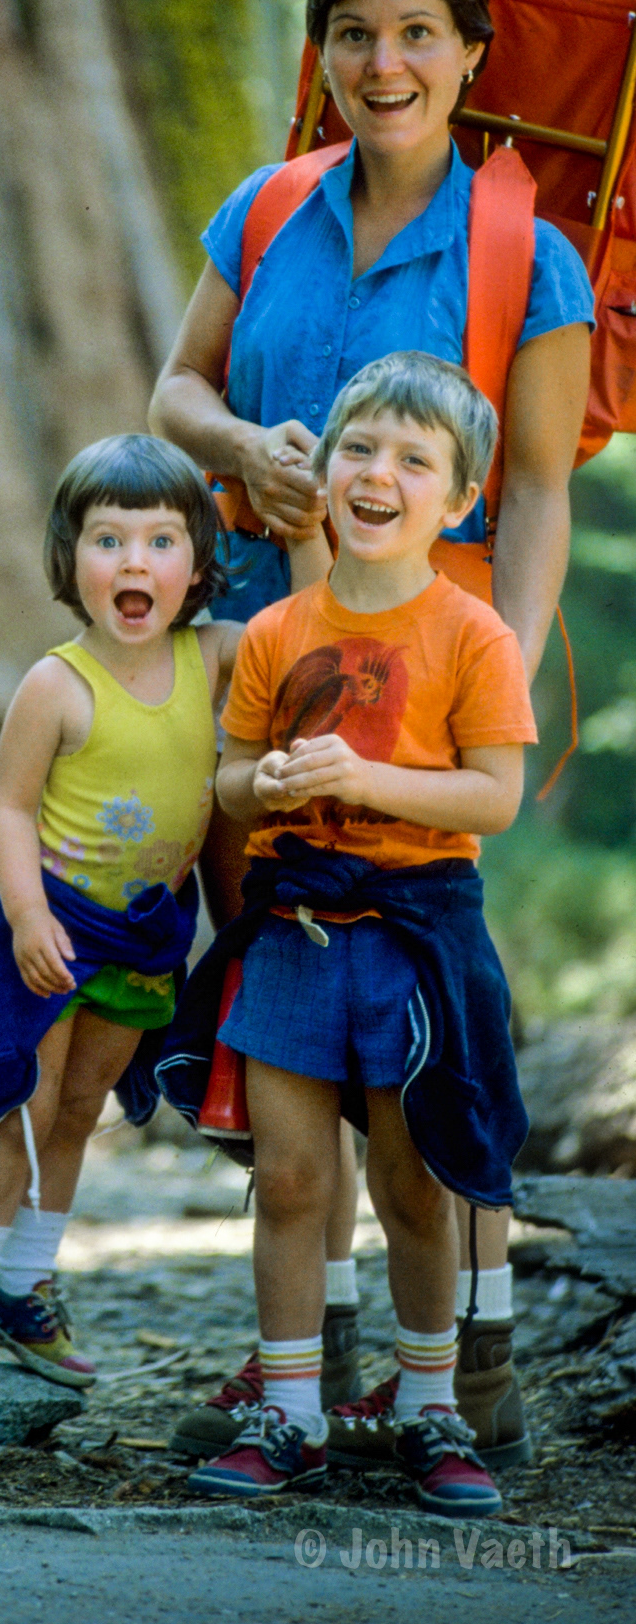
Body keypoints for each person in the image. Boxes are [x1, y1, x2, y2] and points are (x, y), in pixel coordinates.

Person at [149, 0, 593, 1465]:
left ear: (471, 54)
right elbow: (174, 388)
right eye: (352, 31)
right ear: (319, 48)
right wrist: (236, 451)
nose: (381, 60)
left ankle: (466, 1372)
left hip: (424, 693)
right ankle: (308, 1361)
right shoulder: (262, 211)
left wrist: (506, 687)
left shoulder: (522, 255)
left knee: (431, 1036)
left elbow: (532, 487)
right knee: (282, 1029)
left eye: (415, 32)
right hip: (254, 673)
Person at [166, 350, 533, 1513]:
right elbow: (222, 782)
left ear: (460, 497)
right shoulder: (275, 629)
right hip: (294, 930)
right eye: (360, 449)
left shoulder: (474, 635)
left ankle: (431, 1409)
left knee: (414, 1182)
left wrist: (372, 780)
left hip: (418, 935)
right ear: (325, 472)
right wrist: (264, 784)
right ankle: (290, 1409)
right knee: (286, 1177)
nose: (380, 474)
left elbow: (493, 798)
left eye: (414, 460)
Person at [0, 434, 239, 1386]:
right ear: (69, 560)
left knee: (82, 1106)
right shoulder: (57, 684)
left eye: (162, 542)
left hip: (141, 938)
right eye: (107, 540)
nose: (134, 562)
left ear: (199, 564)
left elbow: (307, 628)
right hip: (46, 927)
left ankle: (26, 1286)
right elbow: (7, 808)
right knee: (21, 1100)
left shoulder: (211, 659)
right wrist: (23, 917)